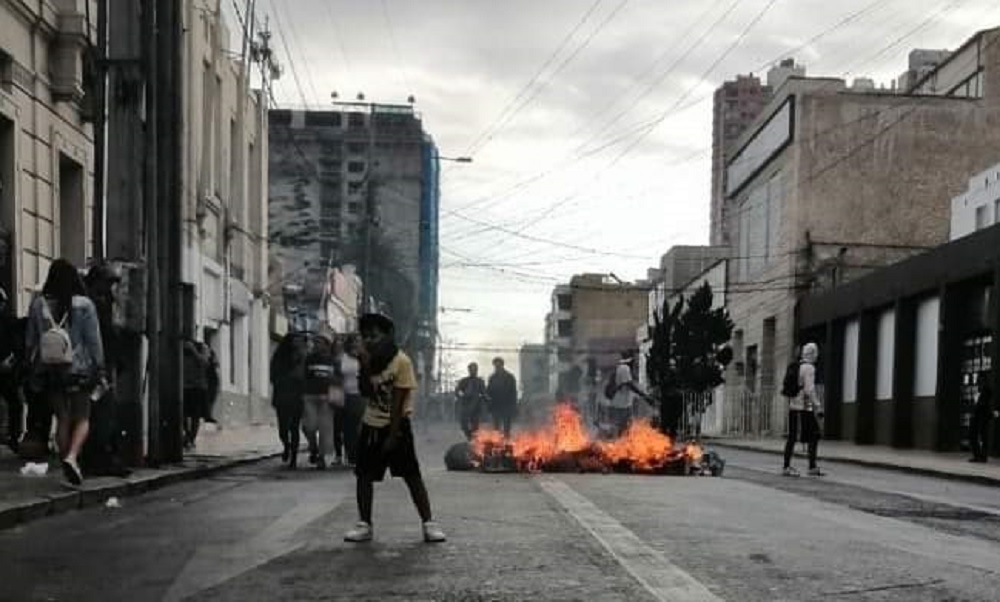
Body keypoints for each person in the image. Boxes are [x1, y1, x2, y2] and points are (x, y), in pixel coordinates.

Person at [344, 313, 445, 543]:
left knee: (411, 476)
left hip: (397, 426)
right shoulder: (369, 360)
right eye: (365, 336)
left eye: (374, 336)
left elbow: (399, 402)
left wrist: (392, 435)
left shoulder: (401, 361)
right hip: (371, 424)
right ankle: (364, 524)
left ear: (388, 335)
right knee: (364, 476)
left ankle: (429, 523)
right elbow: (366, 392)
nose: (369, 340)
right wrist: (364, 365)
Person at [25, 259, 105, 486]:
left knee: (62, 417)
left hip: (51, 369)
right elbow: (93, 340)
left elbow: (31, 341)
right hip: (79, 369)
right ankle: (73, 456)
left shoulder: (38, 304)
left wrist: (32, 368)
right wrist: (100, 366)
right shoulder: (85, 305)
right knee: (82, 417)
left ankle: (66, 464)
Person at [80, 264, 129, 476]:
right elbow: (101, 336)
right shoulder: (93, 303)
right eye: (107, 282)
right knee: (102, 413)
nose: (109, 288)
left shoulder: (103, 301)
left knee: (102, 413)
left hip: (101, 363)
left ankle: (101, 457)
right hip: (98, 364)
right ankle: (99, 458)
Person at [782, 342, 824, 477]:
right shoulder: (809, 368)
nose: (817, 356)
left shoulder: (797, 366)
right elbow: (809, 389)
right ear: (812, 354)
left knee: (792, 436)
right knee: (814, 434)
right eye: (816, 353)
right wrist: (818, 405)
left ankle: (786, 466)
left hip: (793, 405)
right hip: (805, 406)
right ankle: (812, 466)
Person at [301, 334, 340, 470]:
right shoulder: (309, 359)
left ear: (326, 345)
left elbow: (338, 380)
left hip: (326, 399)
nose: (316, 344)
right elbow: (304, 377)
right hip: (310, 396)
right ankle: (313, 447)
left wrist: (334, 397)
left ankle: (322, 457)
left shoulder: (333, 361)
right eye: (315, 342)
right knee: (309, 426)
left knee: (325, 429)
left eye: (319, 342)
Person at [270, 333, 307, 468]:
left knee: (294, 427)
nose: (297, 343)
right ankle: (287, 445)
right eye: (295, 340)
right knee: (283, 429)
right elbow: (273, 375)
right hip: (282, 395)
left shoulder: (303, 357)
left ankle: (294, 458)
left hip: (297, 396)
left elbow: (306, 376)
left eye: (299, 341)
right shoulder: (279, 356)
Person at [0, 286, 25, 453]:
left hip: (6, 367)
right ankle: (13, 436)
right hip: (6, 368)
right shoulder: (8, 321)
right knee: (15, 403)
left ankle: (13, 436)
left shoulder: (8, 321)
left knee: (14, 402)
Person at [182, 337, 211, 450]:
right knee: (182, 414)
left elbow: (205, 363)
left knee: (196, 415)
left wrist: (193, 351)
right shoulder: (181, 348)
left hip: (198, 387)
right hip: (184, 386)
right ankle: (187, 434)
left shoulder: (202, 347)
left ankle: (191, 439)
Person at [340, 335, 364, 467]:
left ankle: (360, 454)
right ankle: (351, 454)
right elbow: (337, 373)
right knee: (348, 427)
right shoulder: (343, 357)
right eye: (354, 342)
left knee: (360, 426)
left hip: (361, 396)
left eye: (358, 342)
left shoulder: (364, 358)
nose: (356, 345)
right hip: (345, 396)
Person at [486, 357, 518, 438]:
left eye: (499, 365)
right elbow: (489, 391)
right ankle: (497, 442)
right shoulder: (492, 378)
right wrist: (489, 404)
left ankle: (506, 440)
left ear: (502, 365)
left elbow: (513, 392)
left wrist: (513, 406)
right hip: (496, 405)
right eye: (495, 365)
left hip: (506, 405)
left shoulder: (509, 377)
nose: (497, 367)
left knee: (506, 427)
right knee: (496, 427)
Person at [455, 362, 487, 440]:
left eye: (474, 369)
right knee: (464, 424)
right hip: (465, 404)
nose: (473, 371)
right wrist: (461, 397)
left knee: (475, 425)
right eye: (471, 369)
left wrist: (483, 399)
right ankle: (469, 436)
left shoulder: (480, 381)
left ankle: (473, 439)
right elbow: (457, 391)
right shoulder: (464, 381)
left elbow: (484, 393)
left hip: (476, 405)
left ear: (477, 370)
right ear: (469, 370)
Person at [969, 375, 997, 463]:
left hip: (982, 416)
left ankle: (981, 456)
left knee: (982, 436)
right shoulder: (979, 390)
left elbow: (984, 404)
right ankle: (979, 455)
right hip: (978, 416)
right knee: (978, 435)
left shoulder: (986, 390)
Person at [608, 352, 637, 437]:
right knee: (624, 429)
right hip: (622, 405)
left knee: (623, 429)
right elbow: (629, 384)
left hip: (622, 404)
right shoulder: (624, 368)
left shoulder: (621, 368)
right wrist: (644, 396)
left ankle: (622, 442)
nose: (634, 363)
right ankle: (621, 443)